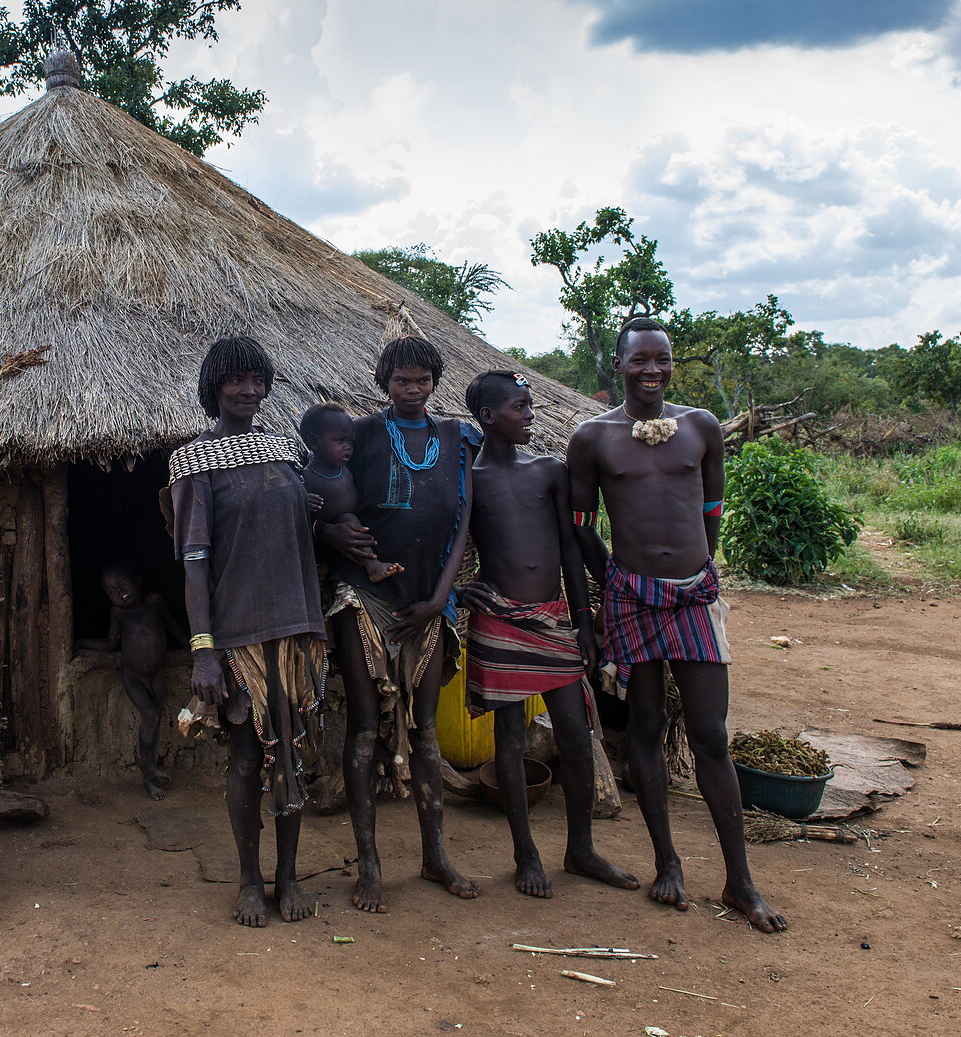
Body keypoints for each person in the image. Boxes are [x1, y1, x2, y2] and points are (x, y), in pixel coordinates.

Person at [567, 317, 787, 933]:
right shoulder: (593, 438)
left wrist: (698, 566)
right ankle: (669, 864)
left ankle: (740, 880)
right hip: (630, 600)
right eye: (638, 361)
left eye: (660, 360)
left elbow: (712, 508)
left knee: (711, 734)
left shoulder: (702, 428)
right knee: (644, 726)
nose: (651, 371)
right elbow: (582, 522)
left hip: (694, 597)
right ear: (618, 367)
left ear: (671, 364)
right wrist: (616, 578)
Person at [457, 370, 638, 899]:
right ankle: (526, 854)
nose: (531, 414)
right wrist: (459, 591)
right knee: (509, 742)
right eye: (519, 407)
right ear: (489, 417)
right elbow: (449, 543)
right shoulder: (470, 477)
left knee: (577, 739)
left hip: (554, 615)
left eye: (530, 405)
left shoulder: (548, 472)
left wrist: (584, 621)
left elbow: (570, 548)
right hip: (498, 620)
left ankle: (580, 849)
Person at [169, 335, 329, 927]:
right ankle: (247, 880)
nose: (250, 390)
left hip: (296, 626)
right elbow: (193, 561)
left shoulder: (287, 451)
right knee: (244, 759)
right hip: (237, 636)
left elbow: (304, 529)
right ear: (215, 387)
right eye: (237, 380)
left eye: (258, 380)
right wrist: (204, 649)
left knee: (292, 756)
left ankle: (287, 878)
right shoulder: (192, 464)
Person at [319, 336, 478, 912]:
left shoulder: (459, 438)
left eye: (423, 380)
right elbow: (319, 496)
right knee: (364, 728)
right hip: (366, 597)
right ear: (383, 381)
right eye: (402, 381)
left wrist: (441, 598)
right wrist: (329, 530)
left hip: (428, 604)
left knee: (427, 730)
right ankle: (370, 866)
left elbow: (464, 523)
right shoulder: (357, 436)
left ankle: (435, 857)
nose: (413, 391)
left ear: (436, 381)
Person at [78, 566, 181, 800]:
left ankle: (151, 771)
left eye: (122, 582)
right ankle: (148, 772)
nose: (119, 591)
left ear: (138, 579)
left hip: (157, 674)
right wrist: (82, 641)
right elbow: (111, 644)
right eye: (111, 590)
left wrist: (195, 648)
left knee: (154, 721)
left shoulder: (154, 601)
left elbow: (172, 626)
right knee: (150, 716)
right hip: (133, 676)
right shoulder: (119, 613)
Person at [299, 402, 401, 584]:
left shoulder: (345, 467)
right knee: (348, 519)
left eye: (350, 442)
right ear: (313, 442)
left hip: (356, 527)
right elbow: (296, 512)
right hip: (330, 534)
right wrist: (302, 500)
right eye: (340, 440)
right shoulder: (308, 477)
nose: (348, 447)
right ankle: (373, 566)